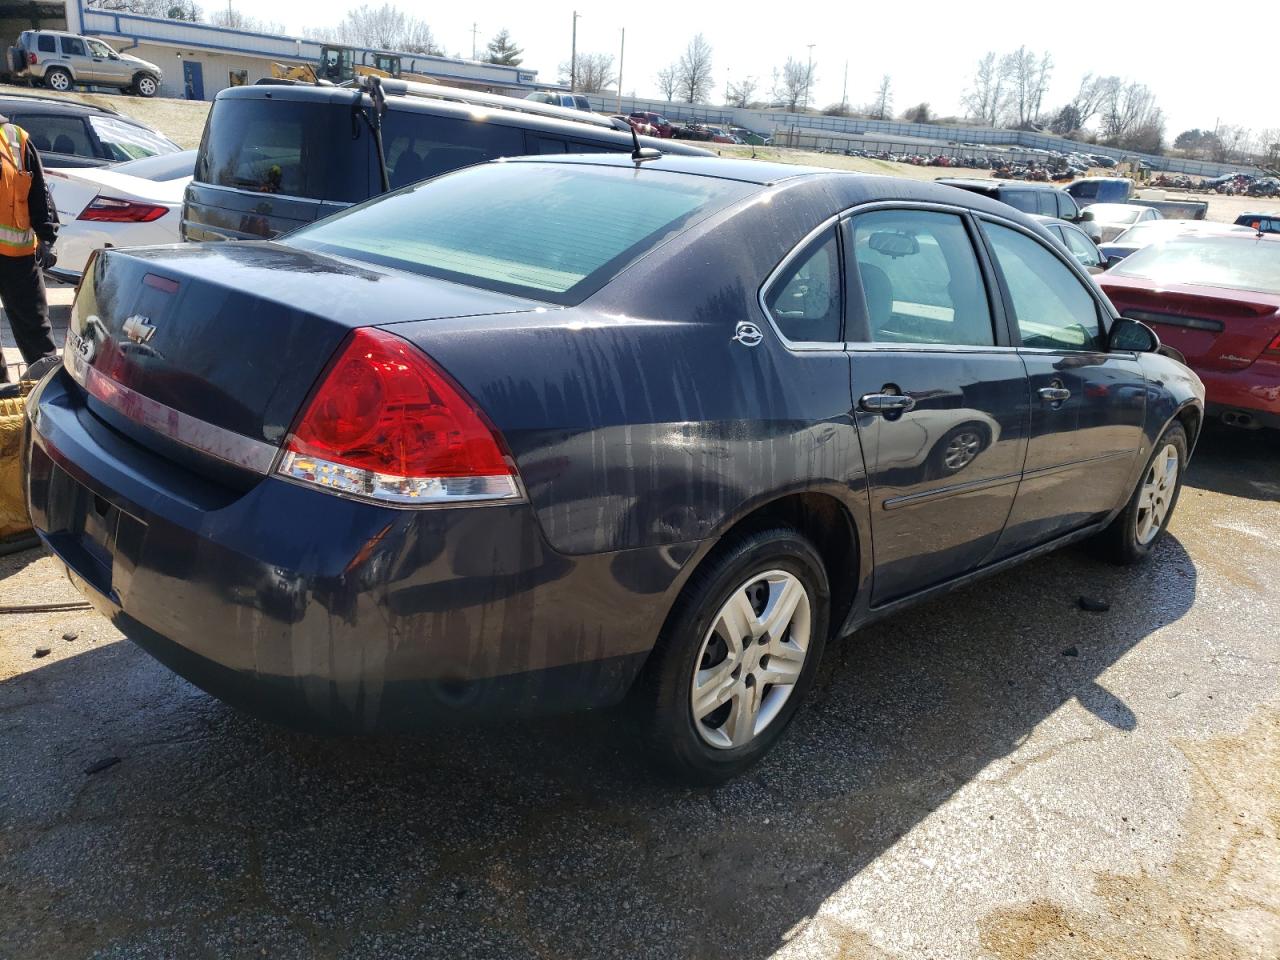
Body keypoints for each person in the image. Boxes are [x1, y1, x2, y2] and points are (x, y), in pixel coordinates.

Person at [0, 114, 58, 384]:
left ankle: (46, 388)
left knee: (35, 329)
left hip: (18, 259)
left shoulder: (15, 139)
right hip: (16, 257)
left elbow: (38, 190)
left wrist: (47, 236)